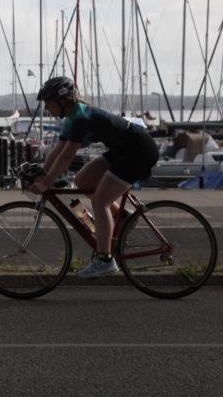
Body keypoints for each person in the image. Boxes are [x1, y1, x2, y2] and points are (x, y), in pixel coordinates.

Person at [27, 76, 159, 277]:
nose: (46, 108)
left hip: (138, 151)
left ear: (62, 101)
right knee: (81, 181)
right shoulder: (71, 118)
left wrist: (46, 183)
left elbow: (67, 157)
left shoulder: (81, 118)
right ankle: (122, 216)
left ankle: (105, 260)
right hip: (123, 149)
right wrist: (42, 173)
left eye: (48, 103)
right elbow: (57, 151)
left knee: (99, 201)